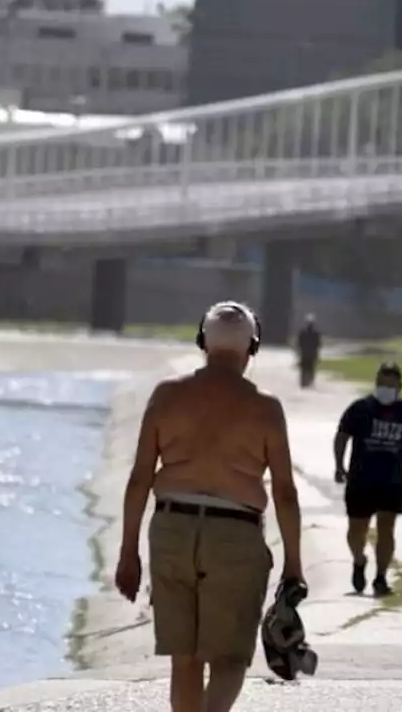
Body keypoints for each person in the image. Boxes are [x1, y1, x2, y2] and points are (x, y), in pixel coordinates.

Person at [115, 300, 303, 712]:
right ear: (252, 348)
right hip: (234, 536)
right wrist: (293, 564)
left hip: (172, 530)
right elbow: (285, 492)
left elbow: (139, 478)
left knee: (185, 660)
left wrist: (128, 552)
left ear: (202, 341)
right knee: (230, 657)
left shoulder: (167, 396)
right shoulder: (265, 408)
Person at [333, 361, 402, 596]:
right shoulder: (359, 409)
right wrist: (339, 465)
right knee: (357, 529)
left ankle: (380, 577)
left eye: (391, 384)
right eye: (381, 383)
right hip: (360, 478)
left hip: (392, 481)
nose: (385, 388)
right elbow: (342, 437)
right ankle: (359, 560)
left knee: (386, 528)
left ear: (399, 386)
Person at [295, 313, 322, 389]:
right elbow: (318, 344)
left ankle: (306, 381)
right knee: (309, 368)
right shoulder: (314, 333)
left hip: (306, 353)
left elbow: (299, 342)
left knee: (306, 367)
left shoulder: (304, 332)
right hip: (309, 353)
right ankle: (307, 381)